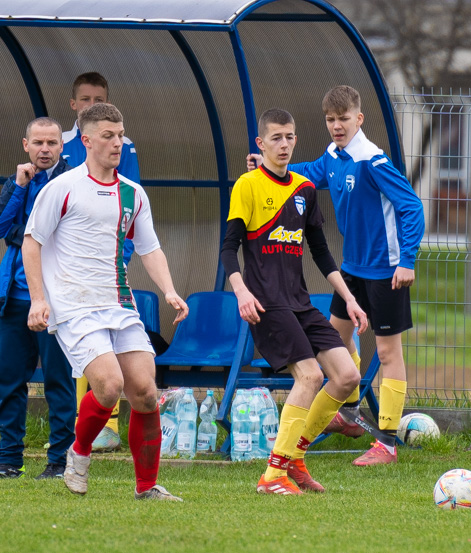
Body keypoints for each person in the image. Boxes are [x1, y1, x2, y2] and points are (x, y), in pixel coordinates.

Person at [247, 85, 425, 465]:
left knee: (387, 352)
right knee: (337, 342)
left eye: (343, 118)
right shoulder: (333, 155)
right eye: (330, 120)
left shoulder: (372, 161)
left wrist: (406, 260)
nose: (336, 126)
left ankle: (387, 443)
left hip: (386, 269)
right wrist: (270, 168)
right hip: (352, 269)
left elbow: (412, 207)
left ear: (358, 119)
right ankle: (342, 415)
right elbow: (309, 172)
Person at [23, 103, 189, 501]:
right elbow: (32, 243)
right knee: (110, 385)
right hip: (74, 307)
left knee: (146, 392)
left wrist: (169, 290)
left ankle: (147, 487)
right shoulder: (61, 188)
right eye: (109, 136)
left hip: (118, 303)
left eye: (121, 135)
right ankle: (78, 454)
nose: (117, 143)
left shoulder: (133, 194)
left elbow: (150, 249)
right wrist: (38, 300)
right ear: (87, 141)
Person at [223, 108, 368, 495]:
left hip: (300, 303)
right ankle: (272, 475)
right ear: (261, 143)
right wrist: (241, 291)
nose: (284, 144)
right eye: (276, 138)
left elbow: (321, 253)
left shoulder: (304, 188)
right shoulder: (248, 186)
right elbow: (228, 250)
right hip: (267, 304)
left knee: (348, 375)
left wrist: (350, 300)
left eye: (289, 137)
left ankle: (296, 458)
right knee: (310, 376)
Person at [0, 117, 76, 480]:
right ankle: (8, 460)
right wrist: (18, 187)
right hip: (13, 299)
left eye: (52, 143)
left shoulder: (73, 183)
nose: (45, 149)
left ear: (62, 146)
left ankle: (59, 461)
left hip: (56, 300)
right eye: (38, 143)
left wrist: (22, 233)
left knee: (58, 381)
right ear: (26, 145)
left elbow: (59, 236)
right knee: (8, 380)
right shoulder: (19, 182)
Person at [63, 71, 141, 452]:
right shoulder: (59, 146)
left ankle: (104, 426)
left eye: (99, 99)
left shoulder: (126, 147)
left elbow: (130, 208)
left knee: (115, 356)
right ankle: (70, 432)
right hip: (67, 273)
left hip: (110, 270)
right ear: (74, 105)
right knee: (82, 347)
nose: (92, 105)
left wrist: (121, 258)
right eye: (86, 99)